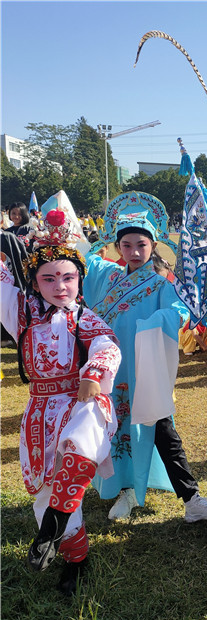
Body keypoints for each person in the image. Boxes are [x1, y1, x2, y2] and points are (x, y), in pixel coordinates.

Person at [0, 207, 121, 595]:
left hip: (77, 401)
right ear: (34, 282)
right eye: (49, 278)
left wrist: (93, 374)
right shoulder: (22, 313)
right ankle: (72, 553)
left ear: (79, 280)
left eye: (68, 277)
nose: (60, 286)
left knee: (81, 438)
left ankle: (61, 513)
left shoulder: (82, 317)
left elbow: (107, 344)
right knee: (44, 490)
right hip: (39, 410)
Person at [83, 191, 207, 522]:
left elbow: (178, 313)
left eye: (141, 245)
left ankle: (192, 499)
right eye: (126, 245)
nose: (134, 252)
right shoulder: (108, 276)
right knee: (113, 427)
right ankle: (125, 489)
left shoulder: (160, 285)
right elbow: (85, 261)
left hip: (145, 369)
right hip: (113, 370)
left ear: (153, 246)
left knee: (162, 430)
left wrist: (154, 322)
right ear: (118, 248)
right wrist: (99, 240)